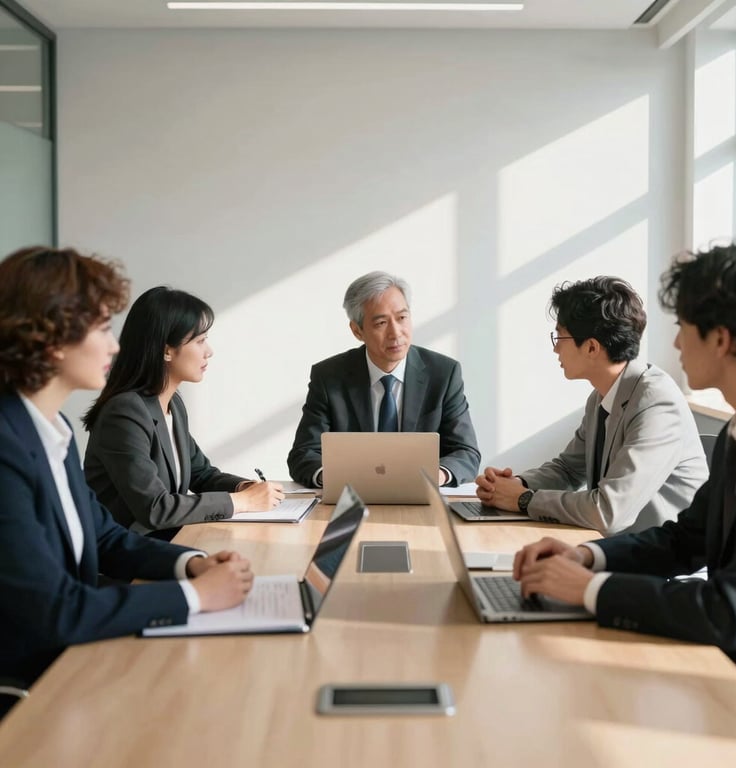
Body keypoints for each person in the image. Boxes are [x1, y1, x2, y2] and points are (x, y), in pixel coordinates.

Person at [0, 247, 254, 699]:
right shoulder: (6, 448)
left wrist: (191, 564)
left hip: (72, 654)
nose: (115, 345)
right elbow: (54, 609)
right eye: (101, 328)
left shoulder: (50, 428)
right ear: (53, 338)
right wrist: (197, 596)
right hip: (31, 683)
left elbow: (104, 537)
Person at [513, 241, 736, 676]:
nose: (673, 341)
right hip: (718, 655)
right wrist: (589, 557)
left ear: (721, 340)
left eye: (683, 326)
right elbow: (683, 541)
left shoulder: (681, 408)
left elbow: (731, 613)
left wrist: (594, 590)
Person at [476, 276, 708, 535]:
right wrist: (515, 484)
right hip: (622, 550)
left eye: (559, 338)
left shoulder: (656, 402)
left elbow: (608, 512)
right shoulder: (602, 396)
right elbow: (568, 469)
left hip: (664, 564)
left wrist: (523, 499)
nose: (555, 351)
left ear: (591, 347)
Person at [83, 286, 284, 539]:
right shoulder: (124, 412)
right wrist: (241, 502)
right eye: (200, 341)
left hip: (165, 539)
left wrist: (245, 487)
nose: (208, 351)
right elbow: (155, 509)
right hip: (128, 552)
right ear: (167, 350)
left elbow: (201, 473)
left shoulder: (172, 404)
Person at [288, 271, 481, 488]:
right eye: (381, 323)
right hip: (352, 498)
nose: (396, 333)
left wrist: (438, 475)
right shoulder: (329, 377)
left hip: (421, 498)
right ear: (357, 330)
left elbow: (466, 452)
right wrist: (334, 478)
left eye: (402, 318)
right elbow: (303, 453)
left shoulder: (443, 374)